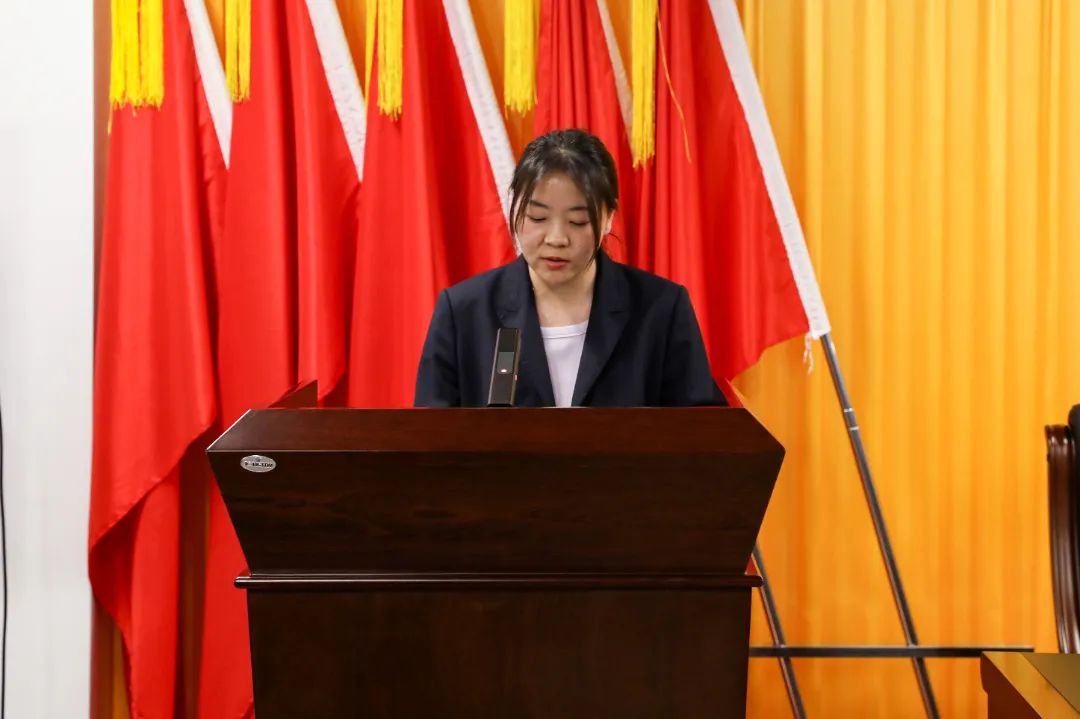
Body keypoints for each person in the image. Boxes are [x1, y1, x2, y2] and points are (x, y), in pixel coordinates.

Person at [414, 128, 726, 408]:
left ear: (608, 218)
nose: (556, 238)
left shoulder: (661, 309)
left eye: (578, 221)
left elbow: (702, 433)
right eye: (537, 218)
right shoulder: (464, 311)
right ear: (514, 207)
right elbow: (430, 440)